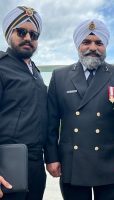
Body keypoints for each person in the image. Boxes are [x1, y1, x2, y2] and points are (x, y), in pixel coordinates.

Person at [45, 19, 114, 200]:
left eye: (99, 43)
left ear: (105, 46)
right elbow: (51, 124)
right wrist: (51, 157)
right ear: (78, 46)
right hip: (73, 163)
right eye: (86, 42)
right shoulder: (59, 77)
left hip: (112, 165)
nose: (93, 47)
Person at [0, 6, 47, 200]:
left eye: (34, 34)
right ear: (8, 34)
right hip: (7, 164)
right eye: (21, 32)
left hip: (36, 163)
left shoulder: (35, 72)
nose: (28, 37)